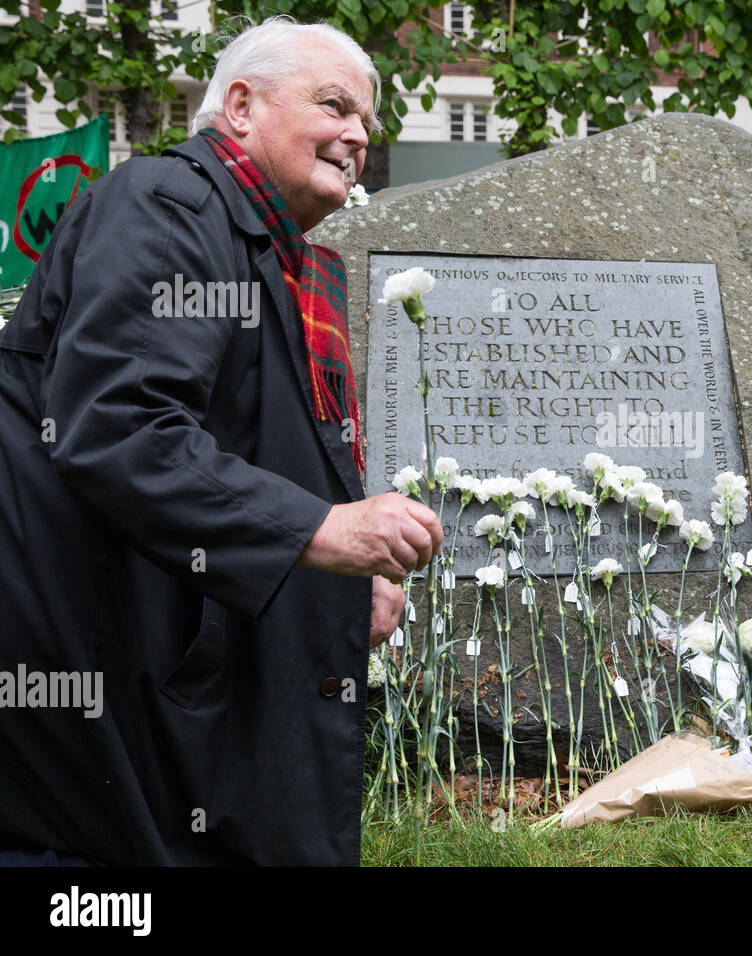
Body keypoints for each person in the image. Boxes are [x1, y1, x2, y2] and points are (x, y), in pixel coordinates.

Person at [0, 17, 442, 865]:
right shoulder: (170, 207)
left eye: (368, 121)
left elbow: (257, 443)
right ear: (240, 105)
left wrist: (349, 577)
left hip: (167, 657)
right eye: (334, 104)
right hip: (110, 660)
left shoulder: (272, 252)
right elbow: (121, 430)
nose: (358, 134)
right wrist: (324, 532)